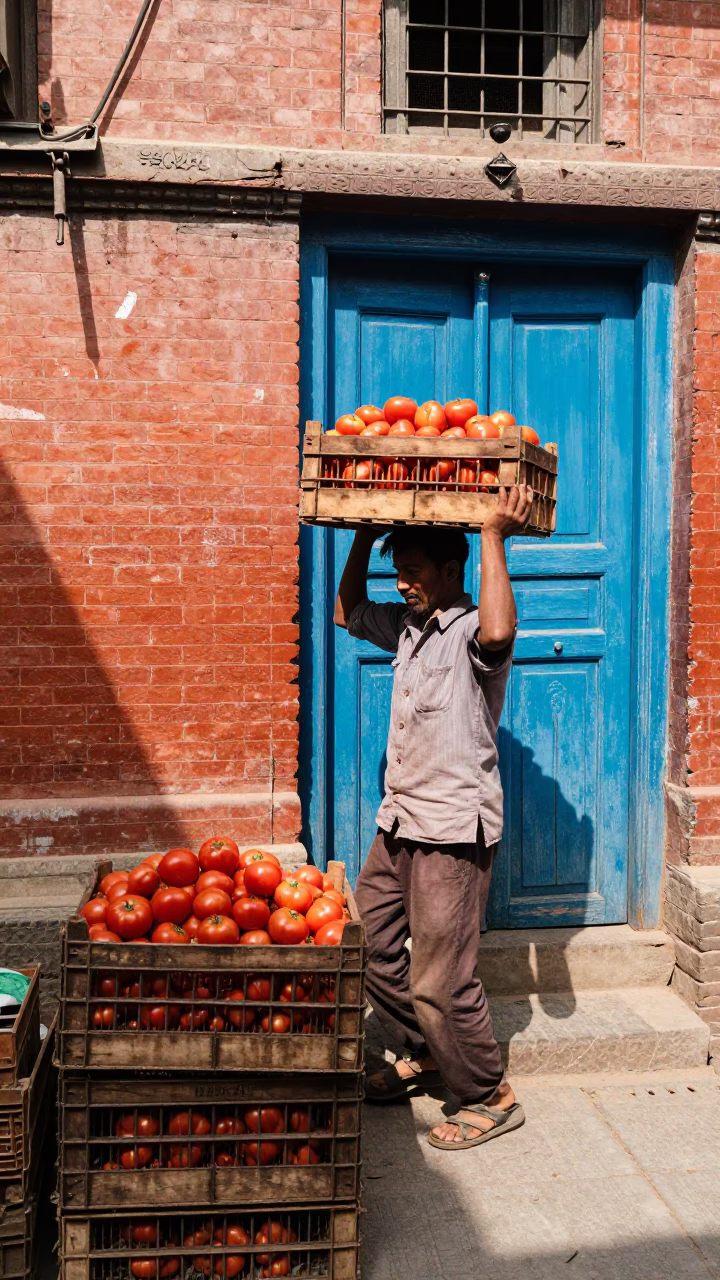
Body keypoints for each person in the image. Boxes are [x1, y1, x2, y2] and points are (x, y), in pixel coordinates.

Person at [333, 483, 534, 1150]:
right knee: (367, 944)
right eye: (400, 571)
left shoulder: (472, 632)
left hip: (451, 829)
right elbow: (347, 611)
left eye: (413, 571)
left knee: (441, 977)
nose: (403, 582)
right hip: (399, 822)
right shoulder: (408, 626)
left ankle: (489, 1094)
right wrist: (365, 531)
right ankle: (422, 1051)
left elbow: (502, 632)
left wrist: (493, 534)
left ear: (452, 572)